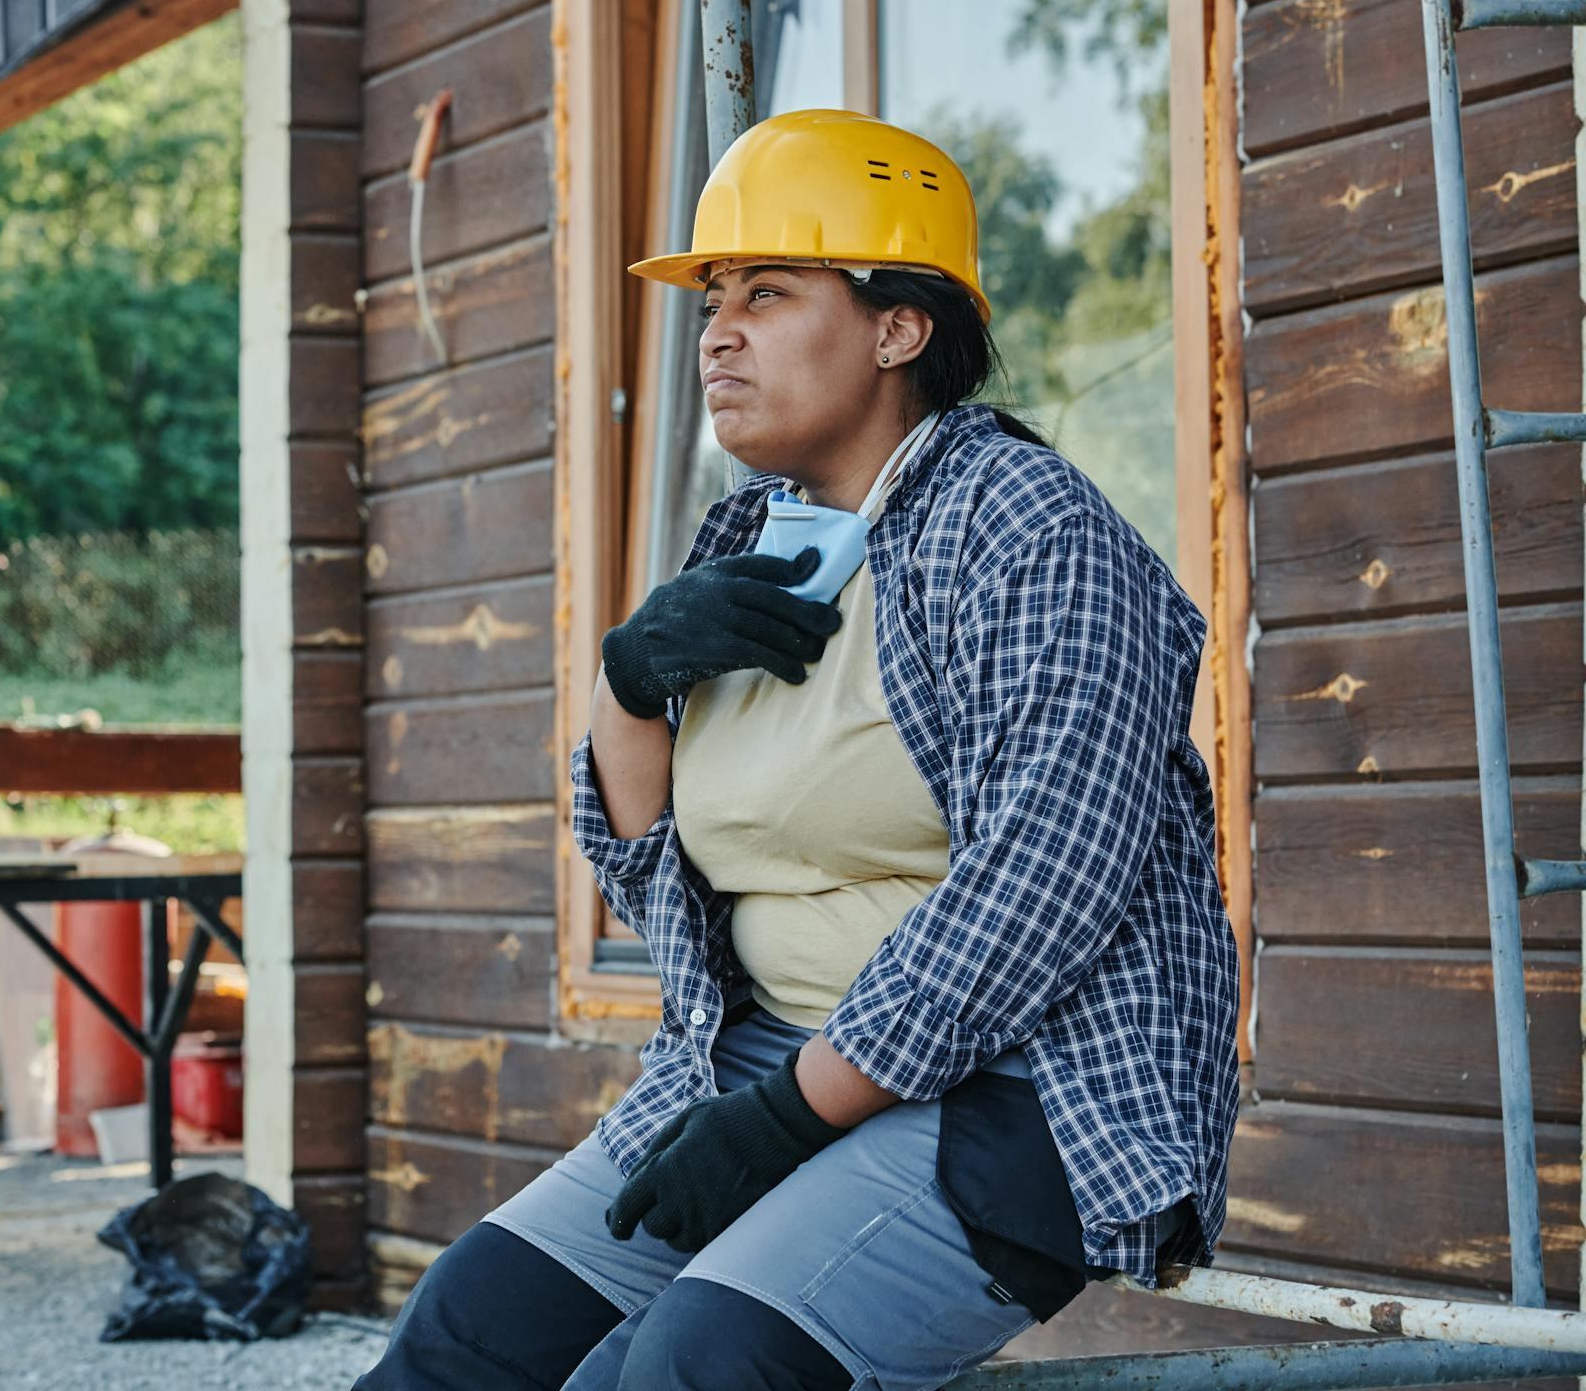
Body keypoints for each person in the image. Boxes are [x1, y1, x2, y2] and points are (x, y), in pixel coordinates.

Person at [354, 108, 1240, 1391]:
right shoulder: (749, 539)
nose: (718, 329)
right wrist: (628, 682)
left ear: (898, 328)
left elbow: (1045, 884)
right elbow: (650, 873)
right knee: (470, 1336)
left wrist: (786, 1117)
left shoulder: (1032, 532)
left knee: (690, 1371)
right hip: (763, 1059)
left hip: (1019, 1090)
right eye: (715, 295)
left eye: (768, 291)